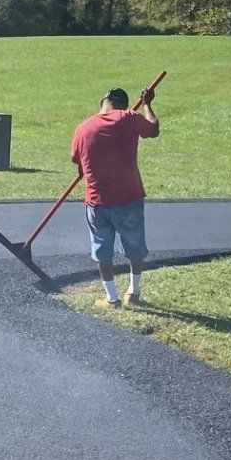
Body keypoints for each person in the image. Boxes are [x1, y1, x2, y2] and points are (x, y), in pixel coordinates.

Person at [70, 86, 158, 308]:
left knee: (102, 249)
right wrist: (147, 104)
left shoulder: (82, 128)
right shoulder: (128, 117)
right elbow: (153, 129)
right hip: (129, 197)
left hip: (97, 200)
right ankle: (133, 292)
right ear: (123, 105)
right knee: (134, 246)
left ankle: (112, 298)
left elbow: (76, 161)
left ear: (103, 103)